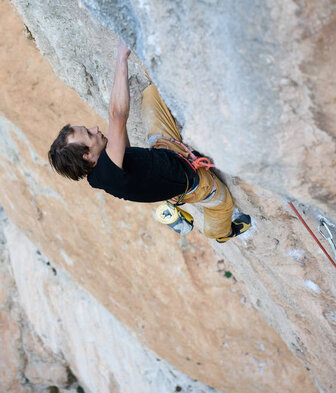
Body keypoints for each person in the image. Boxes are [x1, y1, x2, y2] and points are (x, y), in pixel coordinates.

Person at [48, 40, 250, 242]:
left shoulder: (103, 170)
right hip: (197, 185)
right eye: (89, 135)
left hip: (165, 153)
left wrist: (120, 125)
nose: (95, 129)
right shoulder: (107, 173)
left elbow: (124, 150)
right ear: (87, 156)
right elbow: (118, 115)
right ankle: (222, 233)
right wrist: (121, 58)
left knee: (152, 94)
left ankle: (176, 210)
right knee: (223, 204)